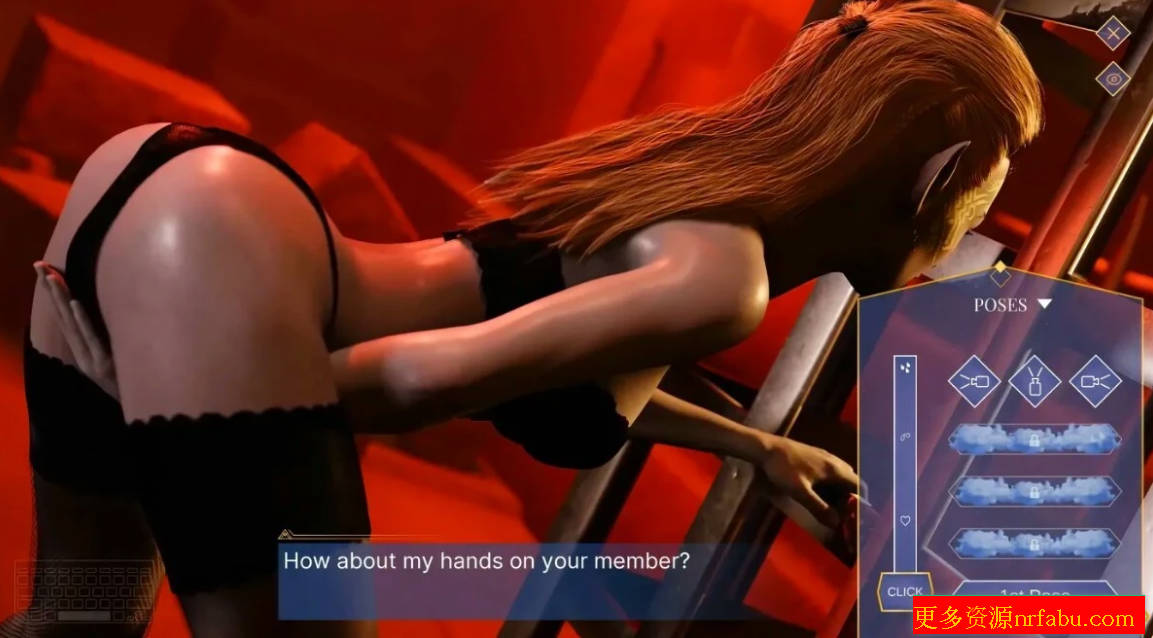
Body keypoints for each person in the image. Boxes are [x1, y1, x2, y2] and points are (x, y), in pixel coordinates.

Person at [6, 1, 1042, 636]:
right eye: (984, 199)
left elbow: (572, 368)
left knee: (77, 618)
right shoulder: (722, 282)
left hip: (172, 189)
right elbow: (415, 380)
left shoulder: (698, 205)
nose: (974, 236)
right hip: (232, 271)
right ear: (937, 176)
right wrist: (177, 393)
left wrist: (753, 443)